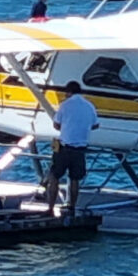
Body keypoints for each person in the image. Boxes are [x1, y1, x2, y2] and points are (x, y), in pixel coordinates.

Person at [46, 81, 99, 216]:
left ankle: (50, 208)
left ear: (69, 92)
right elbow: (95, 125)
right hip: (80, 149)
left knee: (54, 176)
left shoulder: (65, 105)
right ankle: (72, 208)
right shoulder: (89, 106)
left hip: (65, 147)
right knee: (75, 179)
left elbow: (56, 125)